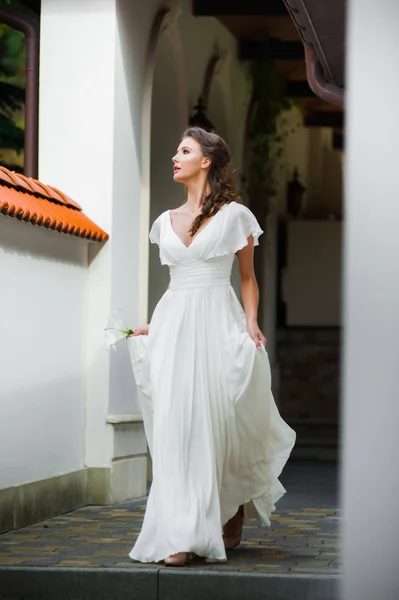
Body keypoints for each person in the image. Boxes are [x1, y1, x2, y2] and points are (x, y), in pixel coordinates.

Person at [127, 126, 295, 566]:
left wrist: (251, 322)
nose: (174, 157)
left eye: (184, 150)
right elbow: (174, 285)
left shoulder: (236, 215)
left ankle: (230, 504)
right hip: (176, 327)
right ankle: (180, 533)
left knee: (219, 420)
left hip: (219, 322)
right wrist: (154, 326)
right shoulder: (163, 221)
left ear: (207, 161)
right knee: (176, 427)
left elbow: (247, 278)